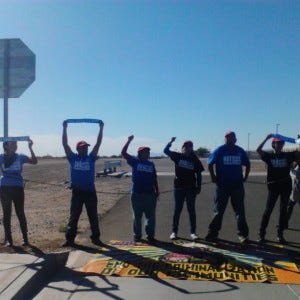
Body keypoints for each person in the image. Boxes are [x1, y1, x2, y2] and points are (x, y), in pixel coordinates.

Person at [62, 120, 104, 246]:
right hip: (77, 192)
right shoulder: (72, 158)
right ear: (78, 149)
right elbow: (65, 144)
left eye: (86, 147)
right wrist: (65, 128)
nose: (86, 149)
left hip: (90, 192)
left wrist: (101, 128)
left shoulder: (91, 157)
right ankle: (69, 239)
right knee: (73, 217)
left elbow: (98, 144)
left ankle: (95, 238)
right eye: (83, 147)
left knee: (93, 217)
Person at [205, 131, 250, 244]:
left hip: (237, 186)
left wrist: (245, 176)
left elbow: (247, 164)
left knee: (240, 211)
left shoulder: (240, 151)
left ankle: (243, 235)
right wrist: (213, 176)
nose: (229, 139)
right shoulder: (219, 150)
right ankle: (212, 233)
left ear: (235, 139)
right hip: (222, 186)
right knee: (218, 211)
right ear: (224, 139)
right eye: (226, 137)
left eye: (231, 137)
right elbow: (210, 163)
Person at [256, 134, 299, 244]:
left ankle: (280, 235)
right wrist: (266, 138)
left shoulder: (288, 155)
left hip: (286, 186)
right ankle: (261, 234)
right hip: (273, 187)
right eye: (277, 143)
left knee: (283, 210)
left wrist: (297, 141)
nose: (279, 145)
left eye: (281, 143)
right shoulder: (269, 156)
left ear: (283, 144)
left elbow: (298, 153)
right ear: (273, 145)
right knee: (268, 210)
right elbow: (258, 150)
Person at [164, 138, 204, 241]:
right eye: (185, 147)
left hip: (191, 188)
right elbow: (165, 151)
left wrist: (199, 186)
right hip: (179, 188)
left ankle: (193, 232)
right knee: (177, 210)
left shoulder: (195, 159)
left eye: (189, 147)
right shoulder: (177, 156)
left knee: (191, 210)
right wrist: (170, 142)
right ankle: (174, 232)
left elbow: (199, 174)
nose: (187, 148)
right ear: (182, 148)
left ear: (192, 148)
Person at [121, 135, 159, 243]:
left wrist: (157, 190)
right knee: (137, 217)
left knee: (151, 217)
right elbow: (123, 153)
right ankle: (137, 236)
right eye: (145, 152)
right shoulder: (135, 161)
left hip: (150, 194)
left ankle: (150, 236)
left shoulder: (151, 164)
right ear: (139, 154)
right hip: (137, 194)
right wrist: (128, 141)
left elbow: (154, 178)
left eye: (148, 152)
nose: (148, 153)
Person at [0, 139, 37, 247]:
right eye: (13, 144)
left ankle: (25, 239)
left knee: (20, 213)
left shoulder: (20, 156)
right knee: (6, 214)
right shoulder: (1, 157)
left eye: (16, 144)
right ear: (6, 145)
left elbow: (34, 162)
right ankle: (9, 240)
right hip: (4, 188)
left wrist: (30, 147)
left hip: (17, 188)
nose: (15, 146)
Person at [286, 161, 300, 227]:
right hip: (293, 194)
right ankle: (285, 223)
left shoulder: (295, 170)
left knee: (289, 207)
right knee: (289, 207)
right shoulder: (293, 170)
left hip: (297, 193)